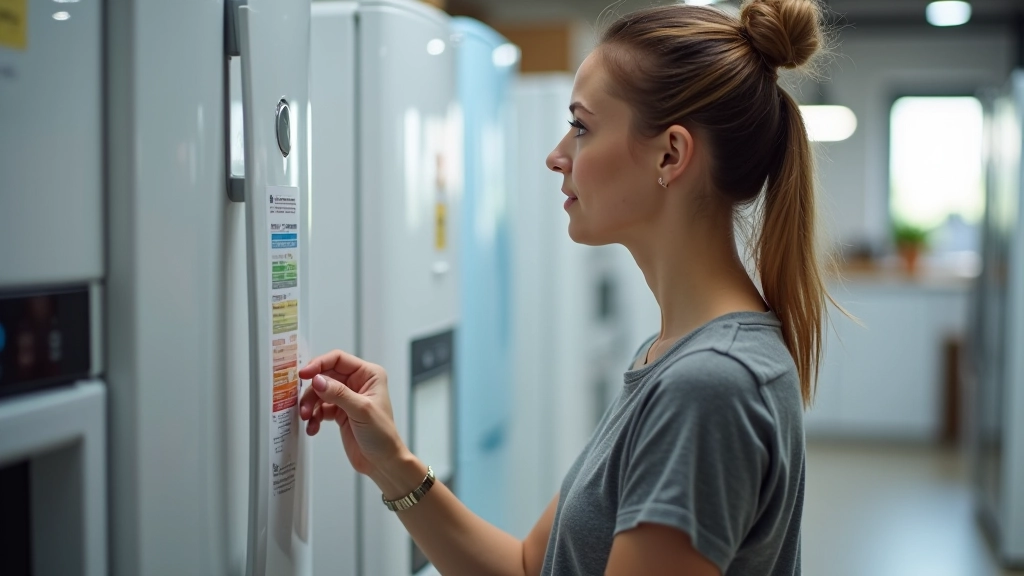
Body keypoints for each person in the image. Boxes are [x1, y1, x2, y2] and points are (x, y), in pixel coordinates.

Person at [299, 0, 834, 573]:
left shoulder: (710, 384)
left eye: (581, 126)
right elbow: (532, 565)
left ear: (671, 154)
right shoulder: (673, 358)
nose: (556, 156)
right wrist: (393, 463)